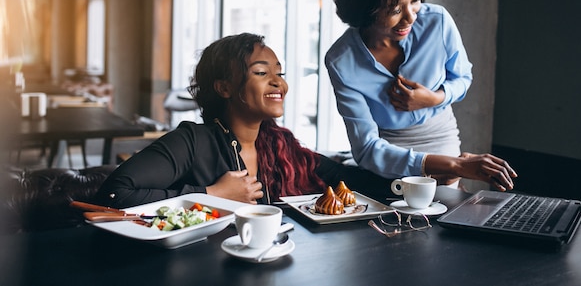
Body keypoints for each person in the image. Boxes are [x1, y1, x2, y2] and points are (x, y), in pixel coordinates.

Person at [96, 33, 393, 209]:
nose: (279, 83)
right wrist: (209, 195)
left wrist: (411, 184)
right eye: (262, 73)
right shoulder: (192, 141)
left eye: (280, 73)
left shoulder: (282, 145)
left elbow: (345, 178)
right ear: (224, 87)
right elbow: (112, 194)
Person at [325, 0, 517, 191]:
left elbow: (462, 78)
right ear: (364, 9)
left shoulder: (437, 22)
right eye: (395, 9)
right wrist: (454, 165)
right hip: (388, 159)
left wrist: (435, 98)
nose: (411, 16)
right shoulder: (341, 61)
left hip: (443, 140)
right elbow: (368, 149)